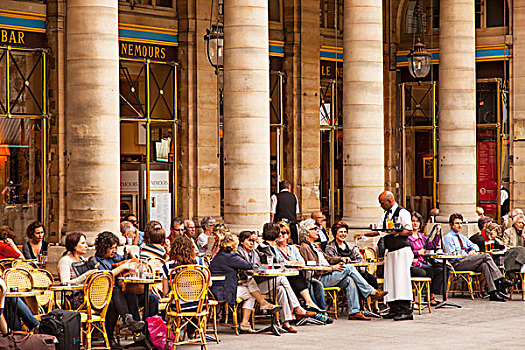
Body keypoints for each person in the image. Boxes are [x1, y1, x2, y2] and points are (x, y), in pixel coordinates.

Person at [299, 219, 387, 321]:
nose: (317, 230)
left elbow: (328, 259)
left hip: (327, 274)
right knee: (349, 268)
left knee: (350, 279)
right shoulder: (305, 247)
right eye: (314, 229)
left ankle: (354, 311)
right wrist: (332, 268)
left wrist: (340, 259)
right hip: (319, 278)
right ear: (307, 232)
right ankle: (370, 292)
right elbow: (313, 268)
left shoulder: (315, 245)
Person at [357, 191, 414, 321]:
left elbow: (409, 231)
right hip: (390, 250)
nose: (381, 205)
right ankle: (394, 308)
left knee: (401, 280)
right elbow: (379, 230)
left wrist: (397, 232)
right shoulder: (386, 214)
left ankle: (405, 309)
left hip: (401, 250)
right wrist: (364, 234)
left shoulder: (402, 212)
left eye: (382, 203)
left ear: (390, 201)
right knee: (391, 280)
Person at [254, 223, 320, 332]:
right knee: (283, 279)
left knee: (281, 290)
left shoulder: (269, 246)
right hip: (260, 283)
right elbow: (266, 262)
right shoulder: (263, 247)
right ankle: (297, 308)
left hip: (271, 281)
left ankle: (286, 322)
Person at [442, 213, 515, 302]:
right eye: (457, 223)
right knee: (486, 256)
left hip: (468, 261)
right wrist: (469, 254)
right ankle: (500, 279)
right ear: (451, 224)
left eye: (461, 223)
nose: (460, 226)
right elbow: (452, 254)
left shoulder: (461, 236)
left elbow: (475, 246)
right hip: (457, 263)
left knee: (484, 265)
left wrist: (472, 250)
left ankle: (493, 293)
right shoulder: (448, 238)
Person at [93, 231, 147, 350]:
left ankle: (137, 331)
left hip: (121, 294)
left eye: (115, 248)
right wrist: (122, 267)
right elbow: (105, 277)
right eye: (111, 248)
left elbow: (130, 263)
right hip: (103, 295)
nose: (113, 251)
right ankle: (113, 335)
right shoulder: (96, 261)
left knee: (131, 295)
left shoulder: (116, 257)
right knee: (113, 302)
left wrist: (131, 255)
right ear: (103, 248)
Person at [274, 222, 329, 316]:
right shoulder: (274, 248)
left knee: (315, 283)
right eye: (278, 233)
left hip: (297, 277)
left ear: (288, 235)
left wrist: (293, 263)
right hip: (284, 278)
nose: (280, 235)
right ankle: (310, 304)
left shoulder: (293, 248)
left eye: (283, 232)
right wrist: (292, 263)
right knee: (303, 279)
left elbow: (302, 262)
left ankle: (321, 312)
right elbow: (280, 263)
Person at [324, 221, 381, 312]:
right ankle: (370, 292)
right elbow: (330, 260)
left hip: (352, 273)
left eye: (345, 232)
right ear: (335, 234)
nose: (343, 234)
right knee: (351, 270)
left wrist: (354, 262)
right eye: (341, 232)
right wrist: (341, 260)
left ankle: (356, 310)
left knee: (364, 277)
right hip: (337, 273)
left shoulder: (350, 246)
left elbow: (360, 259)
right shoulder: (330, 247)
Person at [209, 233, 260, 333]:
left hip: (215, 289)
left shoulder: (221, 254)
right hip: (223, 291)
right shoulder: (230, 257)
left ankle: (261, 305)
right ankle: (245, 323)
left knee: (250, 287)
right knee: (251, 294)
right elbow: (248, 265)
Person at [162, 236, 207, 339]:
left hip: (179, 306)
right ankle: (192, 328)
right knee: (195, 307)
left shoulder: (168, 266)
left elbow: (165, 291)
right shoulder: (200, 263)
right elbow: (208, 284)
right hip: (199, 304)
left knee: (179, 305)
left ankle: (187, 328)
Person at [407, 212, 445, 306]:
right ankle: (415, 298)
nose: (415, 223)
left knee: (441, 270)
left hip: (423, 263)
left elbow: (432, 246)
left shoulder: (421, 236)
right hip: (414, 264)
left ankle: (431, 296)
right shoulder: (407, 237)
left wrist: (437, 234)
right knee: (422, 272)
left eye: (417, 221)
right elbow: (406, 252)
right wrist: (417, 253)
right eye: (413, 221)